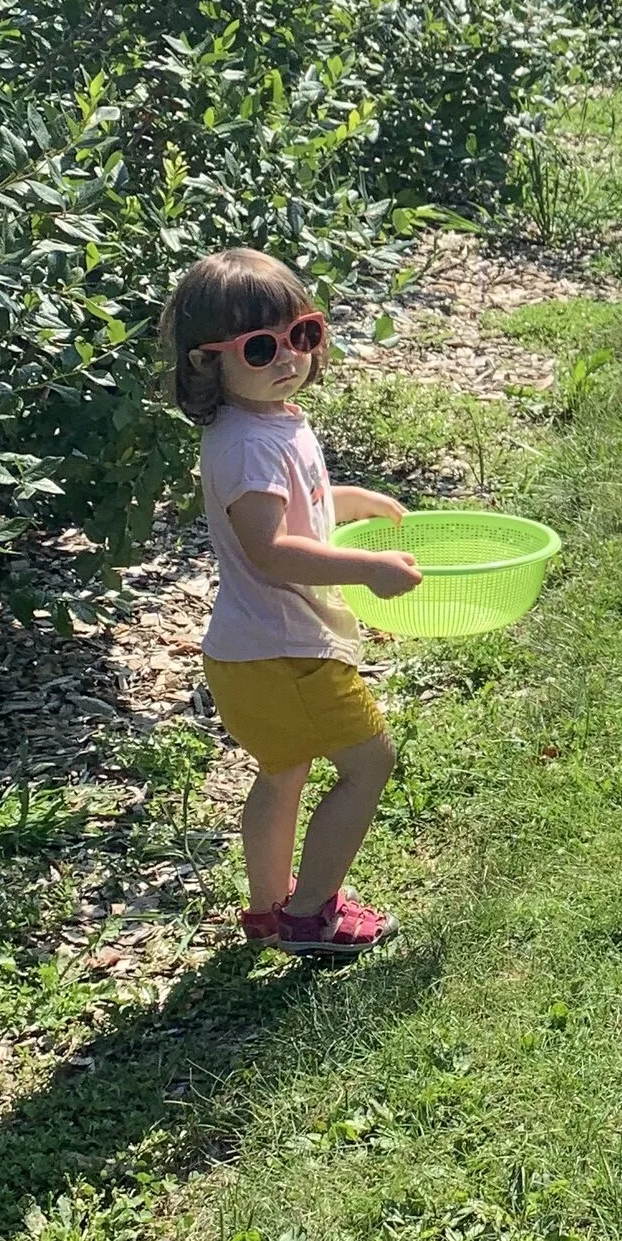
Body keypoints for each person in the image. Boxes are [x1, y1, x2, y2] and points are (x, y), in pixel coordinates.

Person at [160, 245, 424, 961]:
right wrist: (364, 566)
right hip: (287, 650)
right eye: (261, 345)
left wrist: (346, 503)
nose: (288, 356)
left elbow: (292, 511)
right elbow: (271, 549)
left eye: (303, 334)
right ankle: (312, 914)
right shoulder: (249, 443)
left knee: (284, 772)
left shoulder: (266, 421)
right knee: (369, 764)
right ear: (206, 363)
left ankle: (270, 908)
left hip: (252, 649)